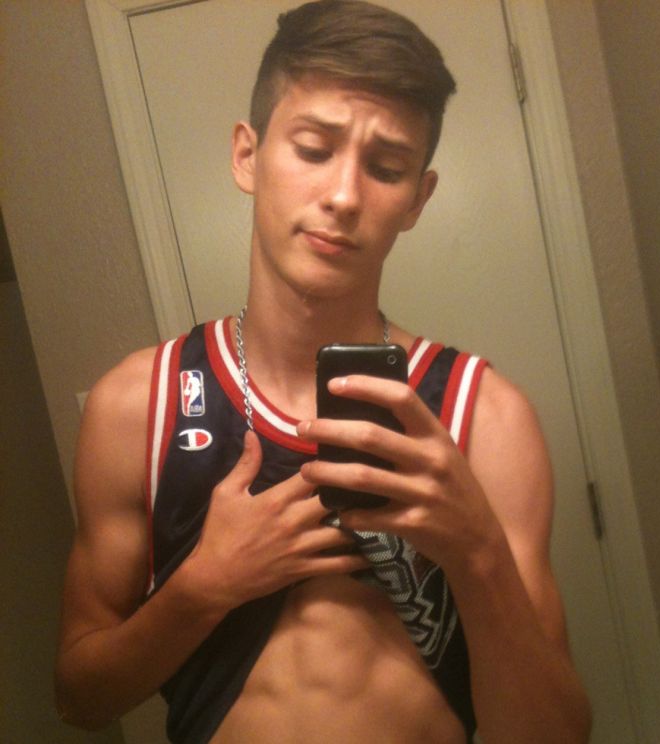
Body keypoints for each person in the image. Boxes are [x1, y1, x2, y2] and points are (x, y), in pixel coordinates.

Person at [55, 1, 591, 742]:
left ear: (417, 200)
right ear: (247, 156)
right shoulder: (136, 408)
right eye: (313, 150)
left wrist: (477, 553)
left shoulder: (484, 419)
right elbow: (80, 700)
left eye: (386, 169)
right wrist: (205, 587)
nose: (343, 196)